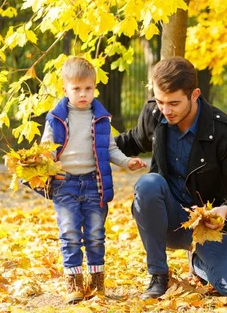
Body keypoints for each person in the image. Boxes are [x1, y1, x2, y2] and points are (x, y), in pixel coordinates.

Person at [115, 56, 227, 299]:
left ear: (194, 95)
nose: (165, 110)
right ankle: (158, 274)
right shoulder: (154, 113)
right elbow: (129, 141)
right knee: (149, 184)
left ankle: (198, 262)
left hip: (209, 226)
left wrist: (226, 210)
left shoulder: (224, 131)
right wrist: (82, 151)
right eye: (160, 101)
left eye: (173, 103)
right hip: (168, 219)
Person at [40, 56, 147, 304]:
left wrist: (126, 162)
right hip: (64, 183)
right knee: (69, 233)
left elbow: (109, 149)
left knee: (96, 234)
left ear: (94, 88)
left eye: (88, 88)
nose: (83, 94)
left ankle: (96, 281)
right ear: (64, 88)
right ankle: (74, 283)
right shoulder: (55, 118)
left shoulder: (100, 118)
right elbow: (46, 148)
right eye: (76, 89)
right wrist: (40, 162)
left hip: (93, 184)